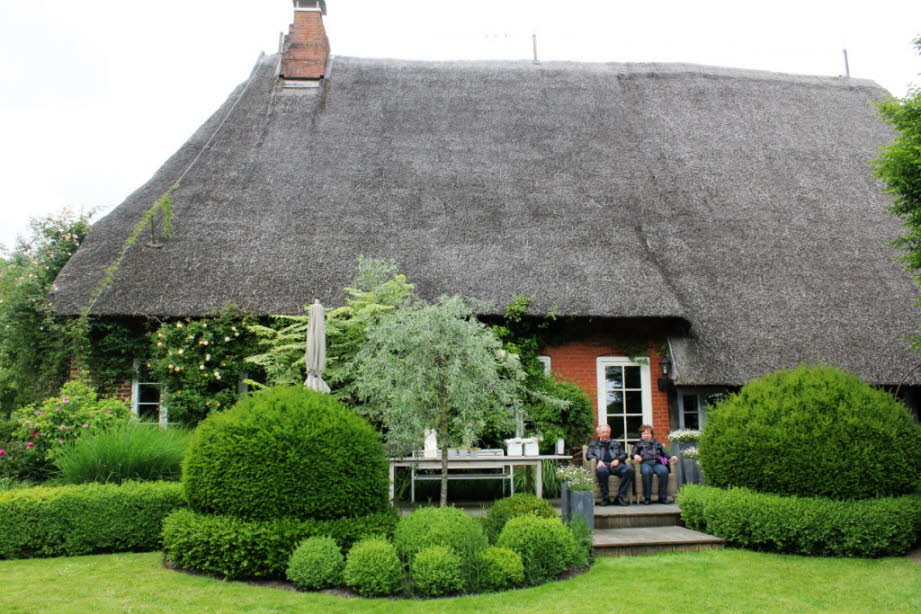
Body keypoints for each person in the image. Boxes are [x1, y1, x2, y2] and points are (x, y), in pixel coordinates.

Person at [586, 424, 634, 506]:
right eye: (603, 432)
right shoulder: (593, 444)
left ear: (610, 433)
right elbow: (588, 455)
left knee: (629, 470)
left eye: (607, 432)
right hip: (603, 465)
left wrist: (618, 460)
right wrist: (598, 461)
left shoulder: (616, 443)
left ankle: (620, 497)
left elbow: (624, 454)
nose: (605, 434)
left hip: (616, 465)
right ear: (599, 434)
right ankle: (605, 498)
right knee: (601, 471)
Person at [632, 425, 674, 504]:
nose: (646, 435)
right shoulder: (638, 444)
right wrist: (635, 455)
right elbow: (632, 453)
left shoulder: (657, 443)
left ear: (651, 434)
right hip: (645, 463)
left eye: (648, 433)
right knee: (647, 472)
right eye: (644, 434)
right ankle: (647, 498)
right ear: (641, 435)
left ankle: (662, 497)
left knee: (664, 471)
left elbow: (665, 454)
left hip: (657, 463)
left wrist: (672, 457)